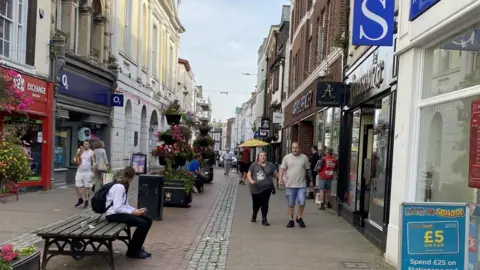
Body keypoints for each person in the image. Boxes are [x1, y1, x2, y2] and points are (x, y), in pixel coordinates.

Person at [105, 166, 152, 259]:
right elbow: (118, 207)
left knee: (148, 220)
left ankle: (137, 248)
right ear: (132, 177)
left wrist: (135, 210)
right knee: (142, 223)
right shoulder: (119, 187)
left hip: (118, 213)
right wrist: (133, 213)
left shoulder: (124, 186)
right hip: (113, 215)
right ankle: (132, 251)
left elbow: (125, 205)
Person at [279, 142, 313, 228]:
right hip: (290, 185)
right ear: (291, 148)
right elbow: (282, 169)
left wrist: (311, 181)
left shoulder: (304, 158)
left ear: (299, 148)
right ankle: (291, 220)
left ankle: (299, 217)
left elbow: (308, 170)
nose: (295, 149)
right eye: (293, 148)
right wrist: (280, 178)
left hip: (301, 185)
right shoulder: (287, 157)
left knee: (302, 202)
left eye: (296, 148)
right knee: (291, 204)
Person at [247, 151, 277, 226]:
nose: (262, 157)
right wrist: (251, 180)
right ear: (258, 157)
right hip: (255, 188)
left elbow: (276, 174)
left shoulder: (271, 165)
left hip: (267, 188)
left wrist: (280, 179)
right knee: (256, 204)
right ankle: (254, 214)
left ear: (266, 157)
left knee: (264, 203)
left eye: (264, 155)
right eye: (261, 156)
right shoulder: (254, 165)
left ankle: (264, 219)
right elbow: (249, 174)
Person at [74, 140, 95, 208]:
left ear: (89, 145)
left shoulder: (91, 152)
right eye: (84, 144)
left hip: (87, 172)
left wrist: (93, 171)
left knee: (87, 187)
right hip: (79, 171)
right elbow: (75, 159)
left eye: (86, 144)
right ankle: (80, 199)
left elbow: (93, 162)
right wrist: (80, 152)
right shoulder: (79, 150)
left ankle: (86, 201)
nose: (85, 145)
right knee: (77, 186)